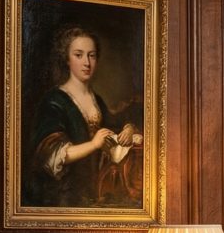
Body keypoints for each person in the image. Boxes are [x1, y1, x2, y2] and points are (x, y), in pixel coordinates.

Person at [26, 26, 141, 208]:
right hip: (63, 194)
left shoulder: (97, 100)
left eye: (92, 55)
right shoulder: (54, 101)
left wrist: (128, 129)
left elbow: (113, 127)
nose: (87, 62)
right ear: (67, 59)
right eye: (78, 55)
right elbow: (51, 155)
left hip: (93, 190)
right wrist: (94, 145)